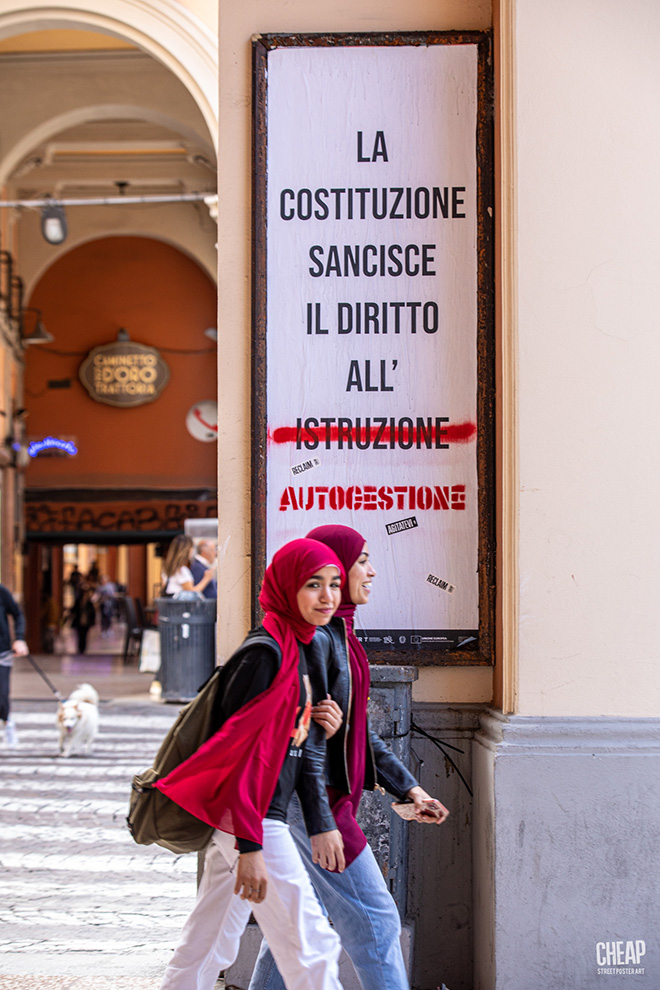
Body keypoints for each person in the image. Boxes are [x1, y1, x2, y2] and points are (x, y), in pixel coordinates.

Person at [249, 524, 450, 990]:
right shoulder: (316, 639)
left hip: (316, 803)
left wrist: (409, 787)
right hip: (313, 803)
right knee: (375, 921)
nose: (371, 571)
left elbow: (357, 732)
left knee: (301, 924)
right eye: (361, 561)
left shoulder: (339, 635)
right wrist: (323, 824)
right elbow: (299, 742)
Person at [155, 538, 348, 990]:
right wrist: (250, 846)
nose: (328, 597)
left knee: (212, 939)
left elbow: (298, 750)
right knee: (310, 941)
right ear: (285, 588)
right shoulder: (264, 654)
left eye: (334, 584)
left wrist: (325, 728)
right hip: (250, 815)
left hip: (253, 815)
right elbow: (237, 755)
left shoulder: (308, 645)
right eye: (313, 585)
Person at [0, 583, 29, 748]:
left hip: (2, 654)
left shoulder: (1, 592)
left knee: (1, 698)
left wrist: (19, 638)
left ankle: (7, 721)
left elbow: (18, 614)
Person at [70, 582, 96, 654]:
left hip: (86, 621)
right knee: (79, 635)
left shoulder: (89, 603)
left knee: (84, 635)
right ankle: (80, 648)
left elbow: (92, 613)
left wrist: (92, 622)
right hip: (79, 620)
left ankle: (83, 648)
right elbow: (74, 610)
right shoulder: (78, 601)